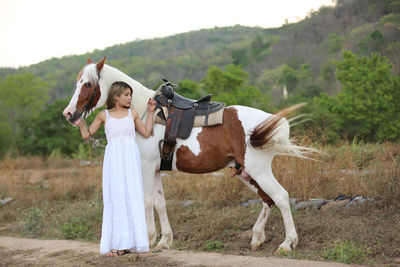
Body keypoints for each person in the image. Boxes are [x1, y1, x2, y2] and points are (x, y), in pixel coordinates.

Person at [77, 81, 156, 257]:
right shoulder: (103, 115)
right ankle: (118, 243)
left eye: (131, 95)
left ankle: (131, 243)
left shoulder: (132, 113)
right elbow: (86, 135)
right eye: (126, 94)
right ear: (116, 97)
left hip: (130, 159)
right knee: (116, 197)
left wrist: (150, 113)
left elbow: (146, 132)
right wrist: (81, 124)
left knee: (132, 196)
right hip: (113, 160)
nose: (129, 98)